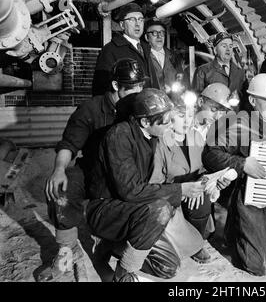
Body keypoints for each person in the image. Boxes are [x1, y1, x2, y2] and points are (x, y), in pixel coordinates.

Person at [38, 58, 146, 282]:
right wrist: (59, 169)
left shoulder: (138, 107)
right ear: (116, 86)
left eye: (141, 86)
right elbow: (69, 145)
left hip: (125, 173)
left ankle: (116, 246)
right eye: (132, 88)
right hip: (92, 172)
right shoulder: (91, 109)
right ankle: (66, 253)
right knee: (62, 189)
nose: (139, 92)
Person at [86, 89, 208, 282]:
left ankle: (116, 245)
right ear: (145, 122)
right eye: (166, 121)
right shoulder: (119, 136)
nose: (170, 125)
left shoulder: (151, 136)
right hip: (107, 208)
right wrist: (179, 190)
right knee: (160, 208)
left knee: (167, 268)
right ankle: (123, 271)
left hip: (136, 206)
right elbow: (130, 190)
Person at [202, 73, 266, 276]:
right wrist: (242, 163)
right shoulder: (239, 124)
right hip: (251, 201)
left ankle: (261, 238)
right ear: (252, 100)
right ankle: (239, 236)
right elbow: (210, 154)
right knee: (260, 267)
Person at [149, 87, 234, 262]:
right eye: (181, 116)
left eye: (189, 115)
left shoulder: (196, 136)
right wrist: (181, 190)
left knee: (201, 201)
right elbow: (154, 184)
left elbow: (204, 169)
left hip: (191, 193)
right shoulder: (159, 142)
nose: (187, 121)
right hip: (168, 196)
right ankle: (178, 239)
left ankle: (196, 242)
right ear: (169, 117)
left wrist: (204, 182)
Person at [92, 3, 151, 96]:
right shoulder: (110, 50)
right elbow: (101, 88)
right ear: (122, 25)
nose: (137, 24)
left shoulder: (148, 48)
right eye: (132, 20)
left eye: (140, 20)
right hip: (127, 106)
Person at [191, 32, 245, 109]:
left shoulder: (240, 72)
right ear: (215, 50)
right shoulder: (203, 71)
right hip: (213, 117)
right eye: (224, 46)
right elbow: (197, 97)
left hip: (234, 117)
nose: (228, 49)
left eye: (230, 46)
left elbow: (244, 98)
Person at [143, 19, 187, 91]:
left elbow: (180, 76)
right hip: (152, 99)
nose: (159, 36)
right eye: (154, 33)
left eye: (162, 32)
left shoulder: (173, 56)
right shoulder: (144, 56)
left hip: (172, 99)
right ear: (146, 37)